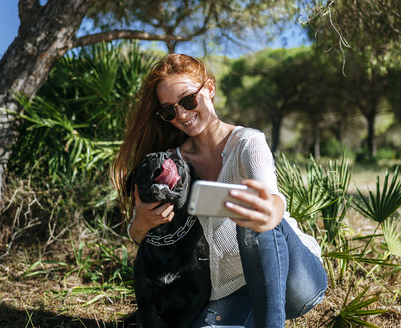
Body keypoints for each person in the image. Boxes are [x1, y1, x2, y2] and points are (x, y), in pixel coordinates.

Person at [112, 54, 327, 328]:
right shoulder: (169, 164)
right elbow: (136, 232)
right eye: (169, 111)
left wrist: (270, 212)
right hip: (231, 291)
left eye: (188, 100)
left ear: (209, 89)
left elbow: (271, 199)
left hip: (294, 279)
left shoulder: (248, 143)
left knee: (252, 211)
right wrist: (142, 221)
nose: (182, 115)